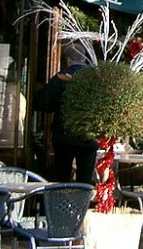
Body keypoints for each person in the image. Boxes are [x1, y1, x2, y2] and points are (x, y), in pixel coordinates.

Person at [37, 44, 98, 183]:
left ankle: (62, 204)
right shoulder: (95, 80)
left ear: (69, 60)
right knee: (85, 181)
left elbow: (45, 104)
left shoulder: (59, 78)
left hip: (64, 137)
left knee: (62, 179)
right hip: (88, 137)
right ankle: (81, 204)